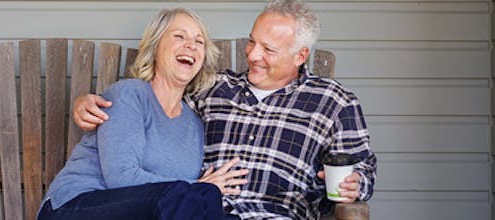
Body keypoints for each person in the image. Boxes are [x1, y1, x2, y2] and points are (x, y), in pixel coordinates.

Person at [73, 1, 377, 219]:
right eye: (252, 42)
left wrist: (355, 184)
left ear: (301, 55)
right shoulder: (213, 88)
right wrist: (90, 100)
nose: (253, 55)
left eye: (268, 50)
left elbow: (363, 168)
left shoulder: (334, 102)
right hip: (202, 210)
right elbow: (155, 103)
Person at [38, 8, 249, 220]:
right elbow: (121, 178)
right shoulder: (129, 95)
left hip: (146, 213)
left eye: (199, 42)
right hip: (75, 206)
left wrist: (200, 191)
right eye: (179, 36)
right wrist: (199, 186)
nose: (191, 45)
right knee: (195, 196)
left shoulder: (195, 125)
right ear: (156, 46)